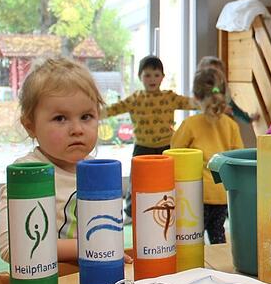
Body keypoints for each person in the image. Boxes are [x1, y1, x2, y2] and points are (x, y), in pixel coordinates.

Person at [0, 58, 132, 264]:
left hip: (92, 282)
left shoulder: (96, 171)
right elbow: (12, 247)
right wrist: (89, 246)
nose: (77, 129)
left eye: (86, 116)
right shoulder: (27, 173)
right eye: (60, 118)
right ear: (30, 126)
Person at [170, 64, 243, 244]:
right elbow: (238, 157)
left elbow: (172, 156)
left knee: (192, 239)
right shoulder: (231, 125)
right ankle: (222, 269)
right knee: (218, 235)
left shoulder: (189, 125)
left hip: (196, 194)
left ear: (196, 97)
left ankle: (196, 270)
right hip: (222, 194)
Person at [104, 55, 195, 158]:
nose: (152, 79)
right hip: (142, 148)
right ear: (140, 76)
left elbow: (191, 103)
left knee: (166, 174)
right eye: (147, 75)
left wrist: (212, 103)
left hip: (167, 147)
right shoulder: (135, 99)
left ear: (162, 77)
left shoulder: (170, 97)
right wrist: (91, 113)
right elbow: (114, 109)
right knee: (140, 174)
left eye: (156, 75)